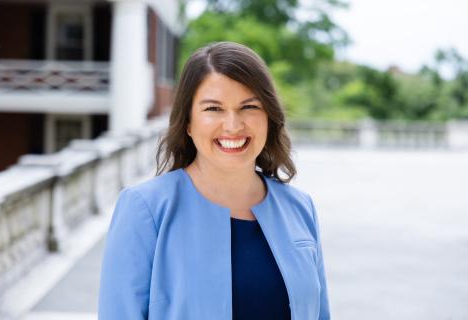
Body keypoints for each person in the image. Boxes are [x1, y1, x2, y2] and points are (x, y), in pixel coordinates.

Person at [98, 41, 330, 320]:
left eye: (249, 107)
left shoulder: (300, 208)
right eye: (213, 109)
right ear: (188, 122)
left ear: (269, 117)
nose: (233, 125)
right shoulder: (145, 209)